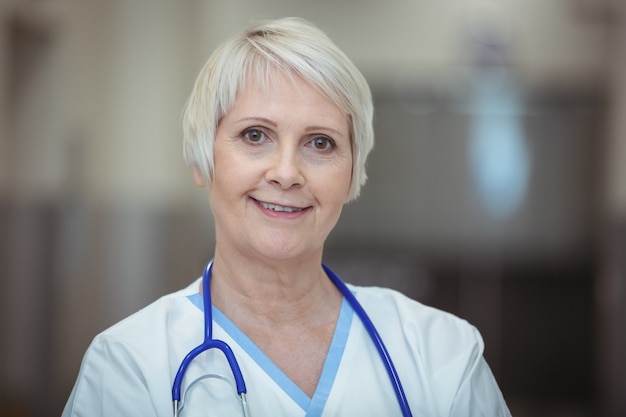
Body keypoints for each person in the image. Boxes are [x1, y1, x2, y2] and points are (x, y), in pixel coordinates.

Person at [62, 17, 511, 417]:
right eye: (255, 135)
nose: (287, 173)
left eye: (320, 143)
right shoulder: (128, 366)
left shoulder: (442, 355)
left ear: (353, 172)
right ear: (202, 161)